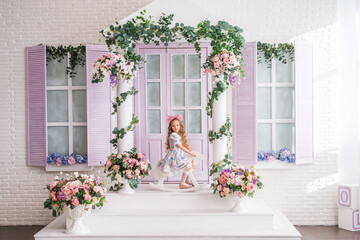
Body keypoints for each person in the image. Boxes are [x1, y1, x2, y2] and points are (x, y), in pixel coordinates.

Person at [158, 114, 197, 189]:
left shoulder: (177, 135)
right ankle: (182, 183)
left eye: (177, 125)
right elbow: (180, 146)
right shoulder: (173, 135)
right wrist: (190, 153)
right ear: (171, 127)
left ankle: (187, 180)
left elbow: (182, 146)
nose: (176, 127)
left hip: (178, 155)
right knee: (188, 163)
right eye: (173, 126)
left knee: (190, 162)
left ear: (180, 126)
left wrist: (189, 150)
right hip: (175, 157)